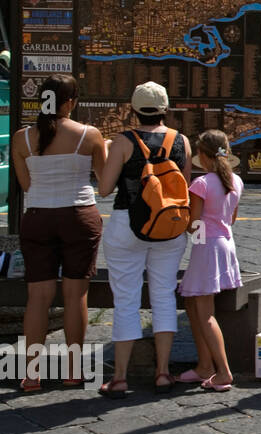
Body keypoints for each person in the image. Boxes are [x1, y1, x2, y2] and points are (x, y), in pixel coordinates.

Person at [11, 74, 108, 390]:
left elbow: (26, 185)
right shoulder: (88, 135)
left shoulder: (22, 138)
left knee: (37, 297)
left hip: (38, 216)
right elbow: (104, 181)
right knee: (75, 294)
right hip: (78, 215)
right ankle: (73, 370)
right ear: (71, 102)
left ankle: (31, 372)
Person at [97, 82, 192, 398]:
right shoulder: (181, 141)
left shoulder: (124, 142)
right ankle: (163, 373)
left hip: (127, 223)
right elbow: (184, 187)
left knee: (126, 298)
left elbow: (105, 188)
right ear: (166, 109)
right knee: (164, 295)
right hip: (169, 225)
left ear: (133, 109)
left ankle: (120, 377)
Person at [177, 130, 243, 392]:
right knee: (193, 304)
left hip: (207, 248)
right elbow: (232, 219)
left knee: (204, 313)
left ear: (202, 156)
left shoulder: (201, 184)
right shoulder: (236, 181)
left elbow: (194, 225)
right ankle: (204, 366)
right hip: (226, 244)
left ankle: (223, 372)